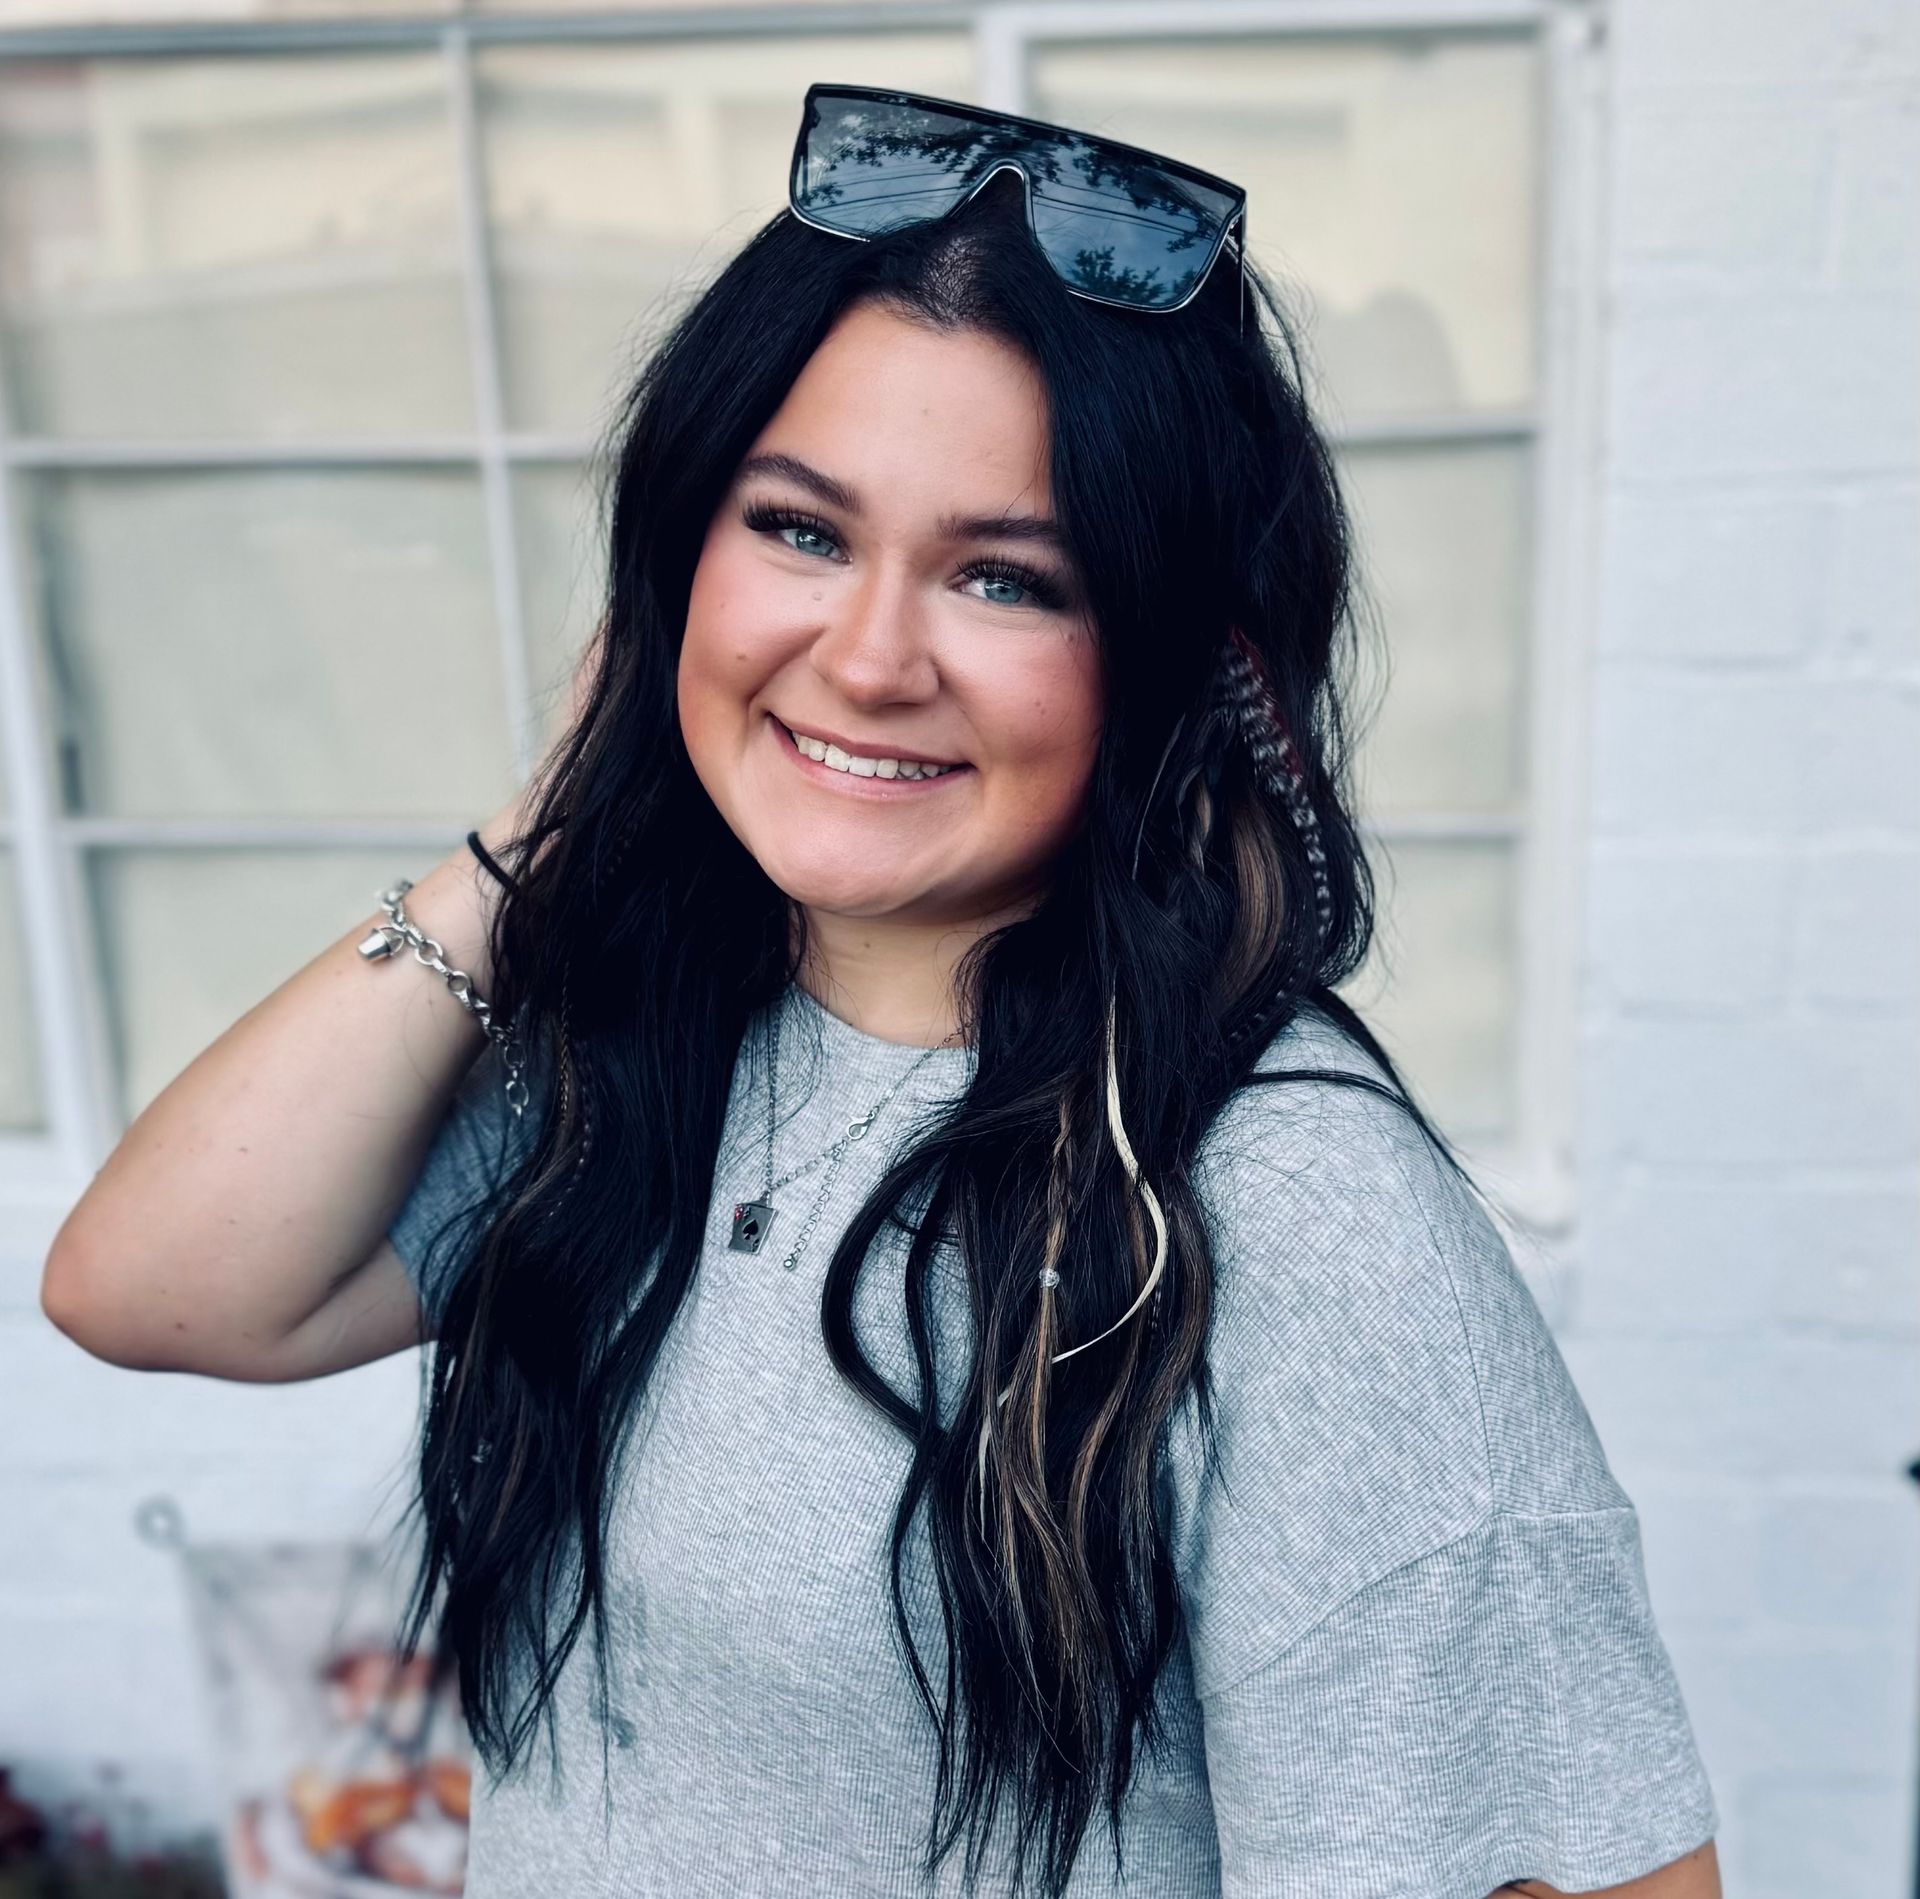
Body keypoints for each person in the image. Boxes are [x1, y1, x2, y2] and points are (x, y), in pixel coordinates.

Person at [42, 85, 1721, 1899]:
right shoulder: (660, 1041)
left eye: (1006, 576)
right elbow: (159, 1291)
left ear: (1173, 661)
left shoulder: (1296, 1228)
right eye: (799, 532)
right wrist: (562, 812)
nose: (864, 658)